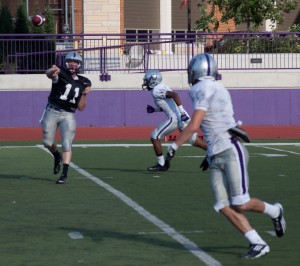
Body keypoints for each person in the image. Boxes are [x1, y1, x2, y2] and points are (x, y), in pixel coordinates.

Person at [166, 53, 286, 259]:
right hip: (215, 153)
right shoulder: (214, 87)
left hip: (230, 150)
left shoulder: (202, 88)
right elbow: (216, 121)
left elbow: (195, 125)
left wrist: (175, 146)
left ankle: (275, 211)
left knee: (240, 203)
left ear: (196, 71)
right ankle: (258, 243)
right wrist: (209, 152)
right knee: (222, 205)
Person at [40, 51, 92, 184]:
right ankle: (56, 155)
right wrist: (52, 70)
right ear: (66, 62)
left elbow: (81, 108)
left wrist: (85, 94)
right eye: (70, 61)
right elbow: (49, 75)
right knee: (47, 142)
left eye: (75, 62)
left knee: (66, 143)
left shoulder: (84, 81)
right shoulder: (61, 72)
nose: (72, 64)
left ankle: (64, 174)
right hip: (52, 110)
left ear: (79, 64)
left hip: (68, 114)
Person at [142, 70, 207, 172]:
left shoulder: (156, 90)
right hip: (180, 116)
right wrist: (155, 110)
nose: (145, 82)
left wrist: (181, 113)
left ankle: (161, 164)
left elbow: (175, 95)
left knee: (154, 136)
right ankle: (214, 152)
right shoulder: (163, 86)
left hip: (176, 118)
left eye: (146, 80)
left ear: (153, 80)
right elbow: (168, 105)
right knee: (193, 140)